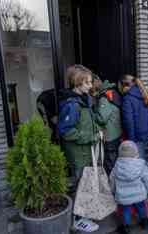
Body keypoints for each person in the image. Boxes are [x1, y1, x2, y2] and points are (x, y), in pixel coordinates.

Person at [57, 65, 99, 232]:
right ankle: (79, 220)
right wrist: (90, 137)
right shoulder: (72, 105)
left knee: (87, 184)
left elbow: (86, 122)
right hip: (79, 154)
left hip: (87, 151)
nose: (90, 85)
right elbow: (66, 131)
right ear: (77, 83)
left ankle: (85, 213)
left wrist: (96, 130)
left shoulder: (84, 100)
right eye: (87, 82)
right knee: (82, 186)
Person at [109, 140, 148, 234]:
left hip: (123, 197)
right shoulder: (141, 166)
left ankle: (126, 227)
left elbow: (112, 179)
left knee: (125, 211)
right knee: (141, 207)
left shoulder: (117, 166)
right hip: (139, 195)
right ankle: (144, 222)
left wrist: (113, 191)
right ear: (136, 154)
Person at [120, 74, 148, 169]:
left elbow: (129, 122)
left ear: (125, 86)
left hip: (138, 139)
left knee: (140, 166)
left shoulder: (127, 98)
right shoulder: (145, 93)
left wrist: (131, 141)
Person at [91, 75, 122, 175]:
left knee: (110, 163)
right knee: (115, 160)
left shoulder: (104, 97)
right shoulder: (112, 91)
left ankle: (112, 184)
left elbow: (102, 118)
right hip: (117, 132)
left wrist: (92, 113)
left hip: (110, 135)